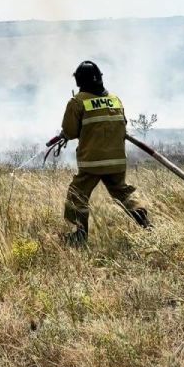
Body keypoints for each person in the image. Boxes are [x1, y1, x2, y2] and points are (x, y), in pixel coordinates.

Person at [57, 61, 151, 246]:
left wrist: (64, 135)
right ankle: (145, 223)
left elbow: (70, 131)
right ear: (100, 77)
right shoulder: (115, 99)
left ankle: (79, 235)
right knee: (123, 192)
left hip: (92, 162)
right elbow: (122, 123)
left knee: (77, 194)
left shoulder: (77, 102)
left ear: (78, 81)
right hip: (116, 161)